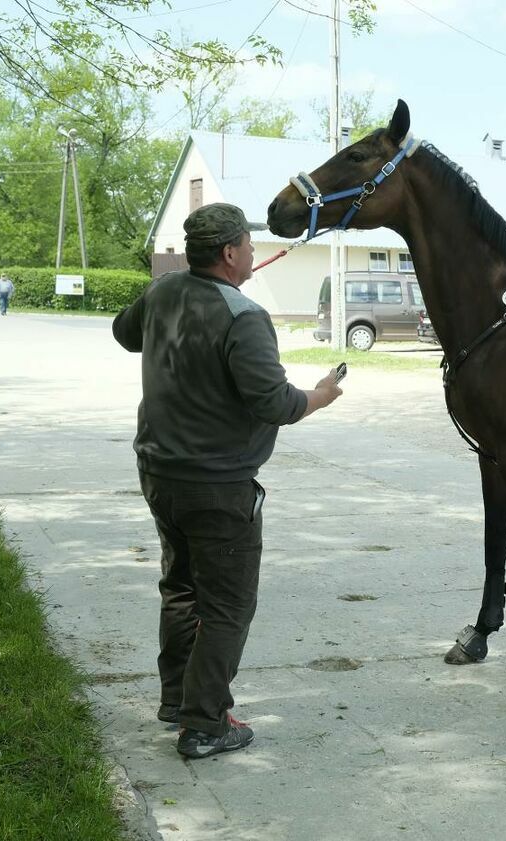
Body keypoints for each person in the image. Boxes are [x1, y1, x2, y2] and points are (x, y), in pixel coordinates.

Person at [113, 202, 344, 759]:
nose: (254, 252)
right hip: (217, 486)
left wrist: (180, 302)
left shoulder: (162, 292)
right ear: (232, 252)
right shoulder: (245, 316)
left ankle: (178, 700)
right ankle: (204, 723)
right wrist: (323, 394)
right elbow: (277, 404)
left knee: (182, 589)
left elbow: (126, 334)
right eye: (248, 244)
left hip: (160, 474)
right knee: (227, 606)